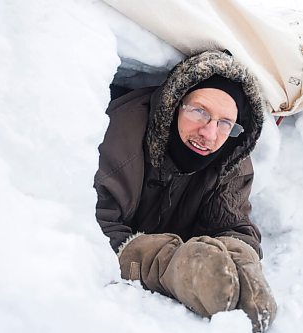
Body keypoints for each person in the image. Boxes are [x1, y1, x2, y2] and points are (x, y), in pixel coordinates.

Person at [94, 50, 276, 332]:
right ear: (174, 103)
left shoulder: (230, 157)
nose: (209, 133)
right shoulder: (120, 136)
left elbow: (234, 223)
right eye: (200, 111)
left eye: (225, 123)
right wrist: (171, 266)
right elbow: (92, 228)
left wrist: (241, 260)